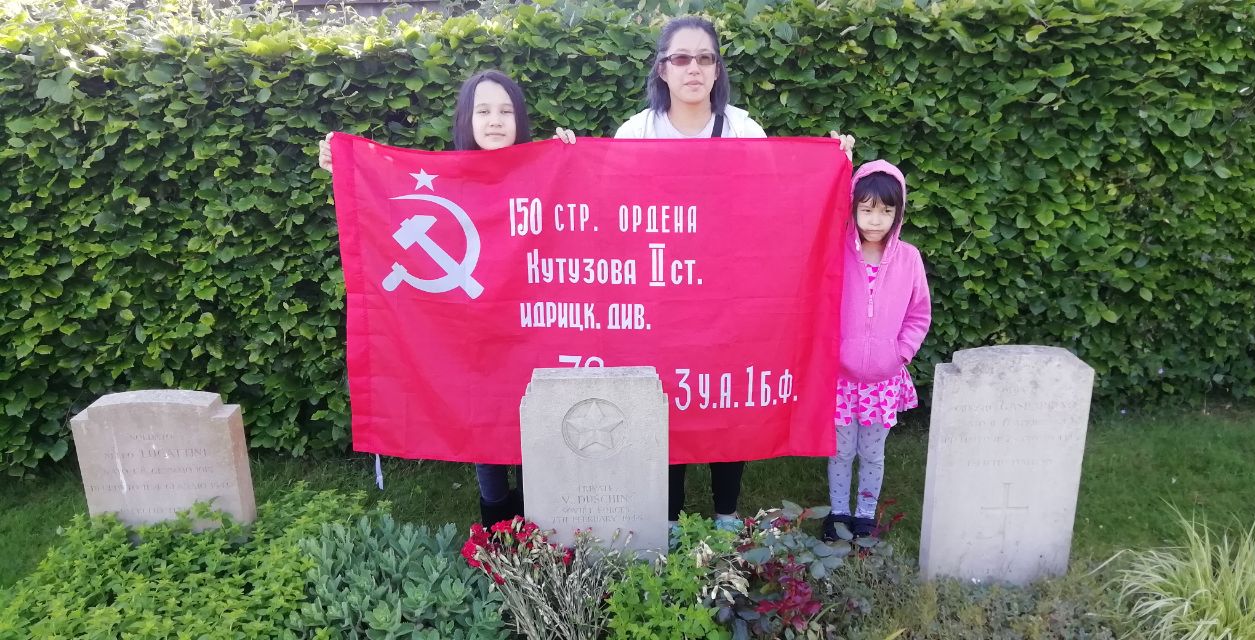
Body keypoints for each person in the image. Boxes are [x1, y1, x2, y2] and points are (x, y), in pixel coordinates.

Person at [615, 15, 855, 531]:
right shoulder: (635, 133)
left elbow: (776, 203)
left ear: (717, 69)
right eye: (682, 58)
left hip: (731, 293)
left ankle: (726, 513)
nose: (694, 68)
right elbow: (611, 211)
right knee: (668, 398)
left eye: (705, 58)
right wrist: (567, 156)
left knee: (730, 393)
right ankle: (672, 518)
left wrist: (829, 164)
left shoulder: (745, 130)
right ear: (662, 69)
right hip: (662, 293)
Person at [319, 69, 575, 528]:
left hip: (529, 326)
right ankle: (497, 525)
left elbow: (586, 205)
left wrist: (571, 155)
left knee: (531, 419)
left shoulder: (543, 169)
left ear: (520, 119)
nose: (495, 120)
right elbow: (382, 193)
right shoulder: (446, 179)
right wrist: (344, 165)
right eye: (483, 110)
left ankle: (539, 523)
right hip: (471, 333)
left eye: (505, 110)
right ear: (466, 119)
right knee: (483, 419)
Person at [823, 160, 931, 542]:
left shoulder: (909, 259)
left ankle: (865, 514)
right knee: (840, 452)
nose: (875, 220)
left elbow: (919, 313)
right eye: (866, 209)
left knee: (872, 453)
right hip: (840, 378)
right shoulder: (836, 253)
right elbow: (821, 305)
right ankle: (839, 512)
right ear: (853, 208)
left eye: (886, 211)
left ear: (898, 214)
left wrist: (900, 353)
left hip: (882, 381)